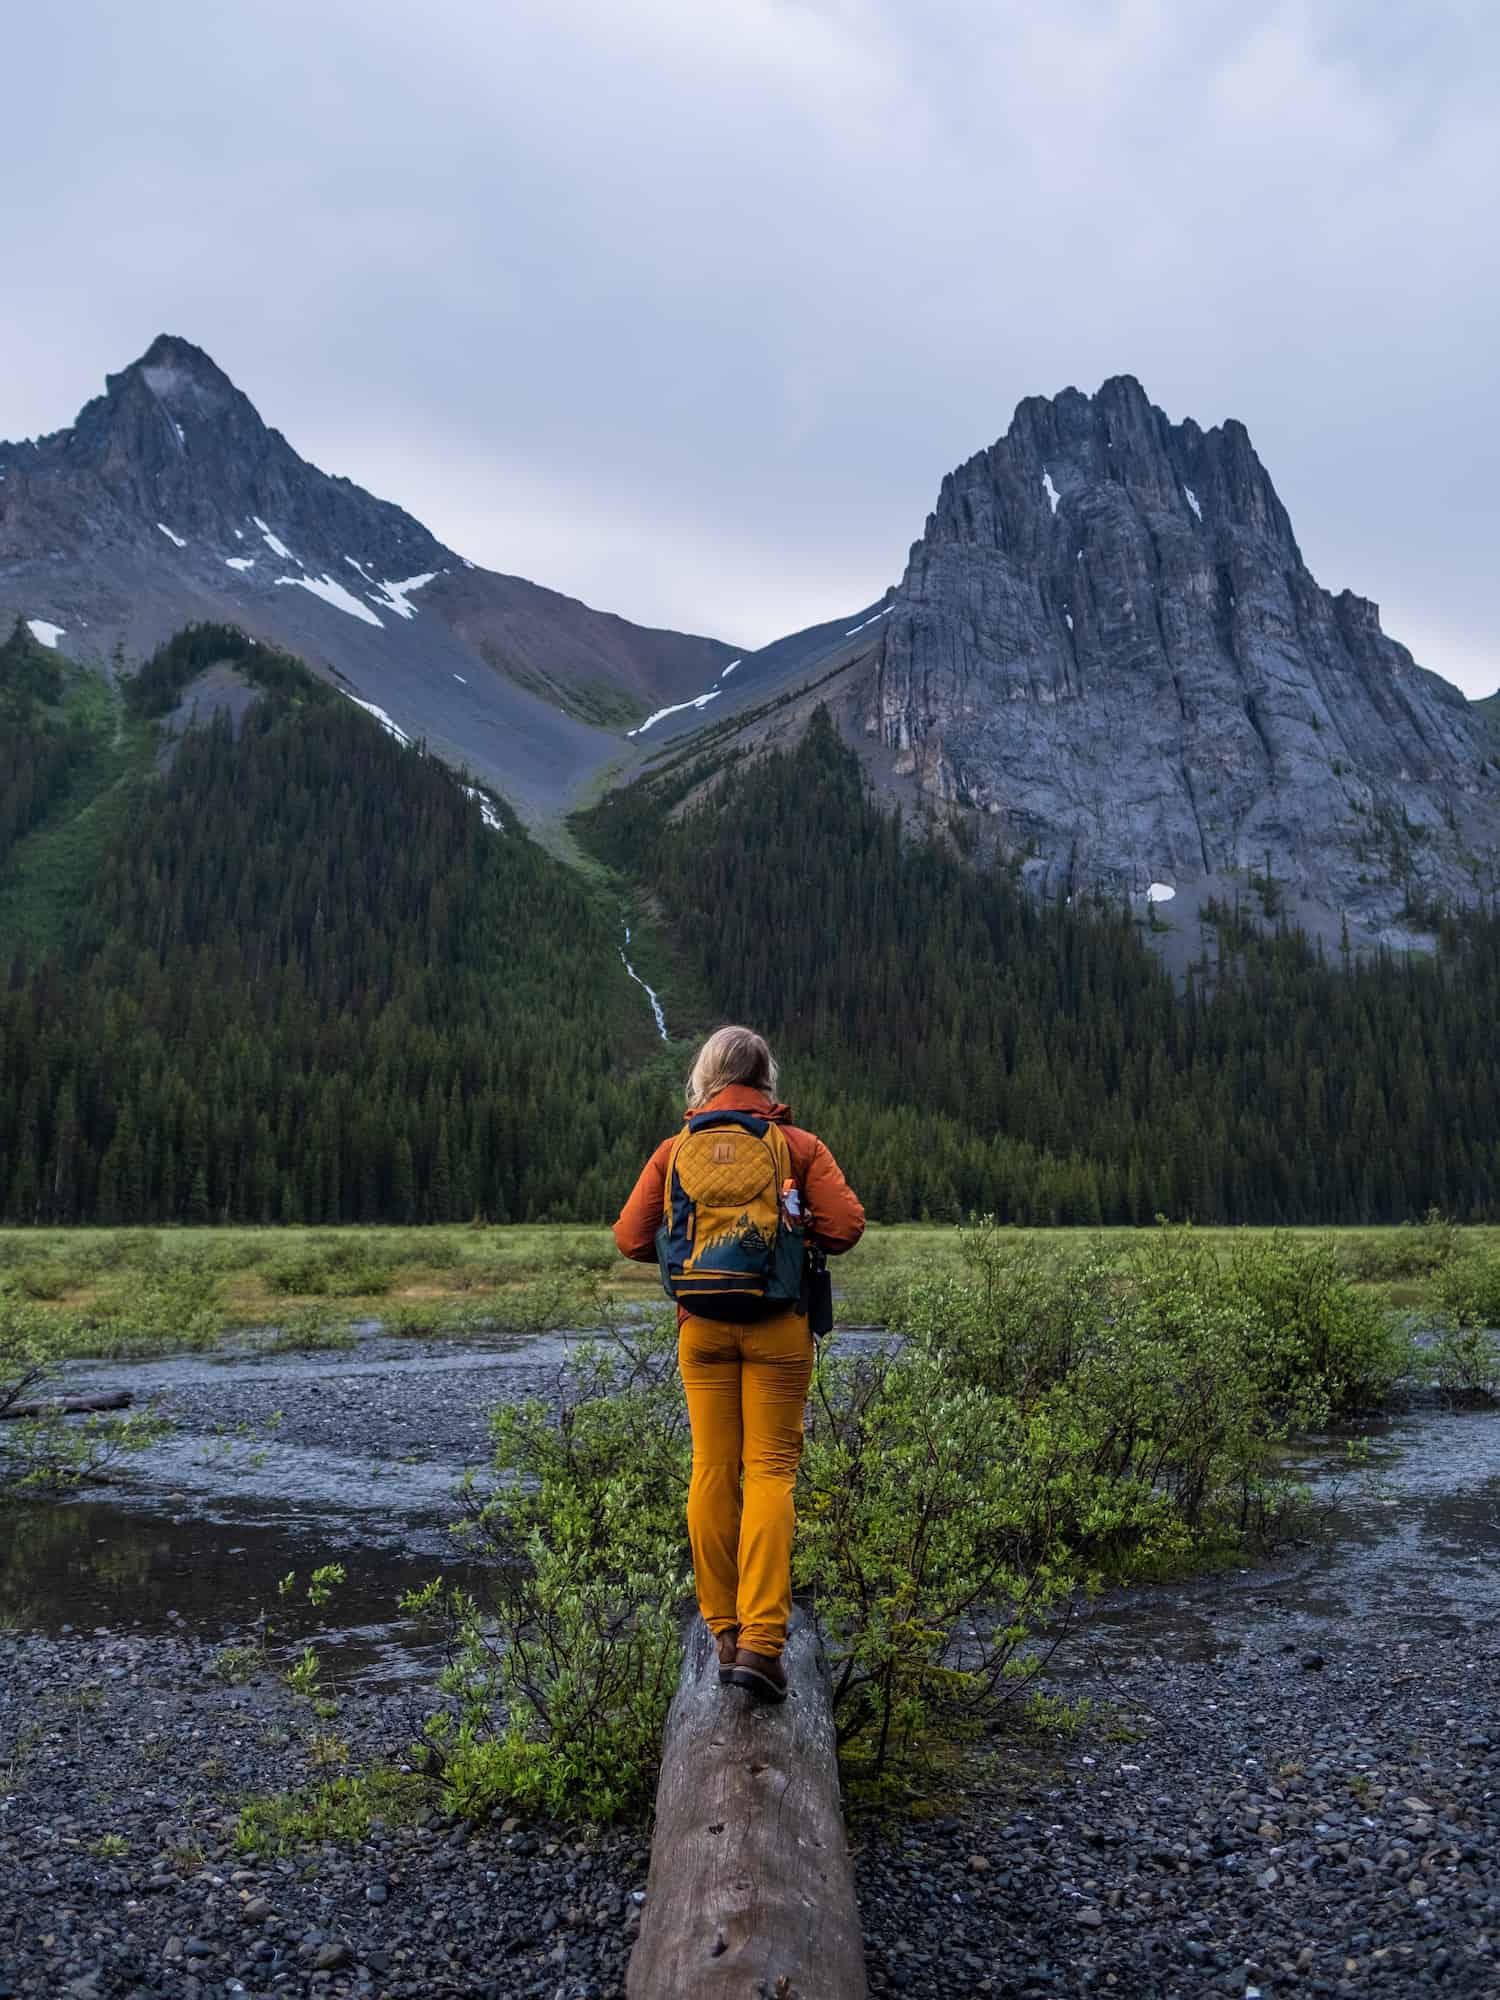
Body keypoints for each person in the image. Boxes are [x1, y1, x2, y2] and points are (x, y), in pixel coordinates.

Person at [613, 1025, 864, 1702]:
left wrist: (693, 1249)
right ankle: (762, 1642)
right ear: (766, 1079)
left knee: (712, 1469)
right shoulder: (799, 1146)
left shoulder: (676, 1149)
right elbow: (845, 1228)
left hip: (701, 1330)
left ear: (707, 1075)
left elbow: (631, 1237)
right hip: (779, 1326)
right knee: (772, 1474)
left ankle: (723, 1633)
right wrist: (789, 1228)